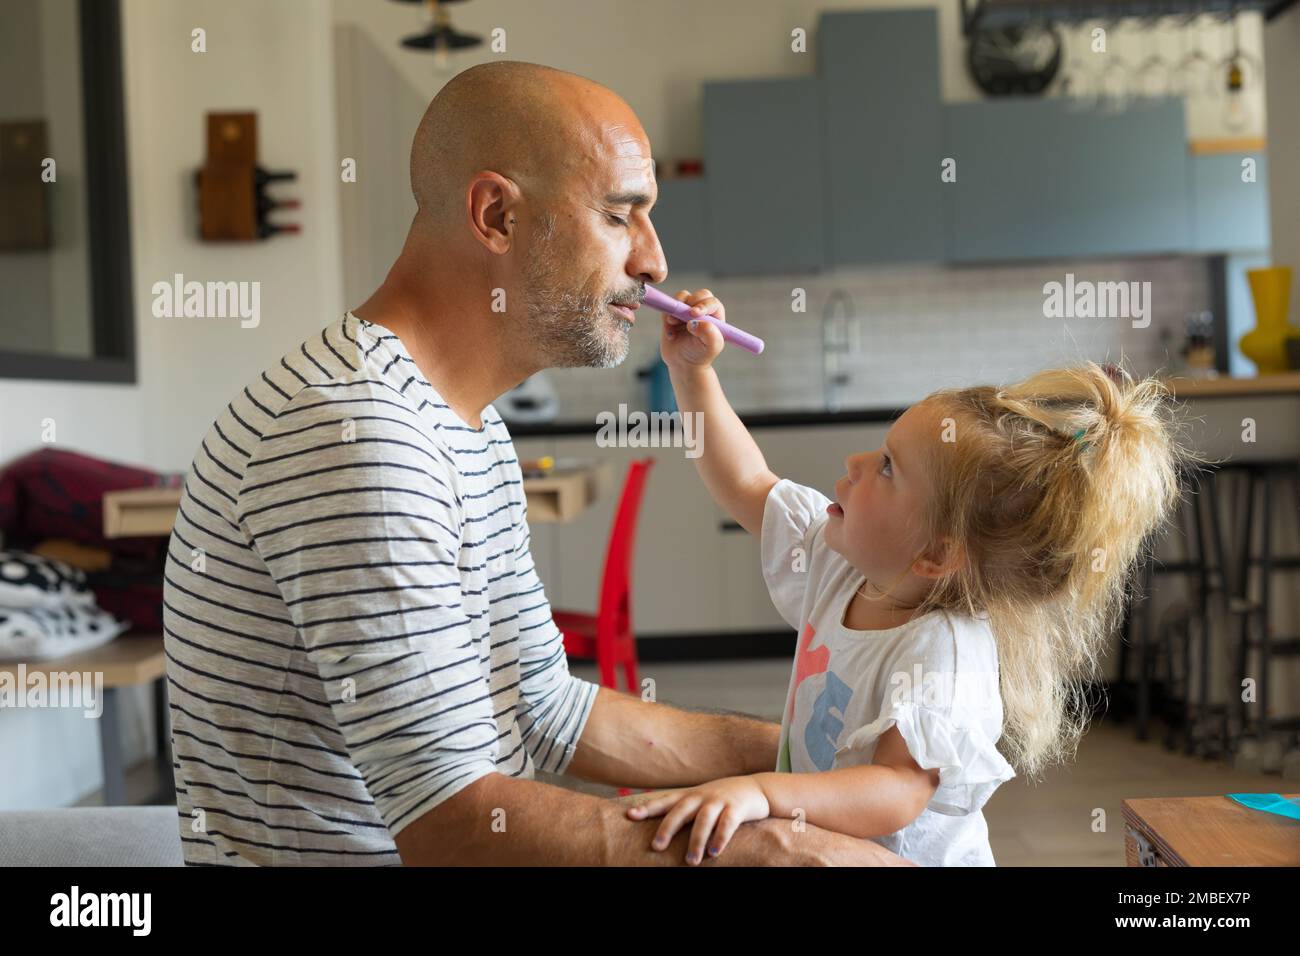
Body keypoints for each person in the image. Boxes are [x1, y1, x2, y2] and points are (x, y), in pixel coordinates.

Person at [161, 61, 910, 866]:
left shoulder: (465, 428)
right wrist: (777, 853)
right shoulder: (358, 438)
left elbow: (541, 709)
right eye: (623, 216)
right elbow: (452, 825)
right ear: (496, 216)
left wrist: (809, 759)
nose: (655, 261)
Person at [627, 289, 1188, 865]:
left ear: (937, 554)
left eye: (888, 466)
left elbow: (896, 790)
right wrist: (691, 372)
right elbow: (745, 480)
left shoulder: (940, 654)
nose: (856, 462)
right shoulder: (843, 567)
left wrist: (762, 791)